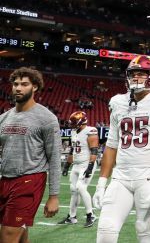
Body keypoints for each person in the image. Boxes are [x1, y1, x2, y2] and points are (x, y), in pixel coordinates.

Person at [93, 55, 150, 243]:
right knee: (105, 232)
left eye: (142, 74)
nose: (136, 78)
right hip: (121, 177)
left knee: (145, 234)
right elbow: (111, 145)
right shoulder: (117, 102)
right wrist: (101, 184)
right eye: (133, 74)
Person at [0, 67, 61, 242]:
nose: (18, 88)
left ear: (34, 87)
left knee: (7, 236)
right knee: (19, 235)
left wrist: (54, 196)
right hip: (5, 179)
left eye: (24, 84)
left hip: (29, 180)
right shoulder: (4, 118)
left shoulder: (46, 118)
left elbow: (55, 158)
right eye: (15, 84)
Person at [59, 110, 99, 228]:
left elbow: (94, 150)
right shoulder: (74, 132)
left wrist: (90, 167)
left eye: (73, 122)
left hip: (86, 163)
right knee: (73, 190)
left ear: (80, 121)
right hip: (76, 164)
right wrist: (67, 165)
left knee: (81, 188)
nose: (71, 124)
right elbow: (73, 149)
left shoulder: (90, 131)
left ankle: (90, 215)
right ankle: (72, 217)